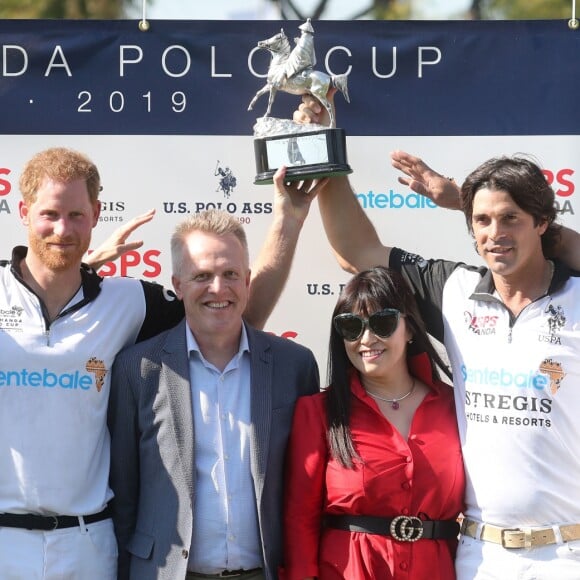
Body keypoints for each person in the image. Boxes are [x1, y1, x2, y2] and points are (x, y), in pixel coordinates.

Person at [0, 147, 320, 579]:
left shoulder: (128, 300)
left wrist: (287, 220)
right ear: (22, 211)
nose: (63, 229)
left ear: (96, 214)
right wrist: (84, 261)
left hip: (87, 544)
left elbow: (230, 316)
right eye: (50, 214)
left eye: (76, 215)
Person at [294, 94, 580, 578]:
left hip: (566, 551)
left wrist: (458, 201)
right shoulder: (456, 289)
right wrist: (322, 146)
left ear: (544, 223)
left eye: (511, 217)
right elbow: (357, 249)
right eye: (482, 221)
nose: (495, 234)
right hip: (478, 555)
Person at [107, 208, 320, 580]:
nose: (218, 289)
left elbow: (308, 488)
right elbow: (123, 495)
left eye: (230, 274)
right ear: (177, 283)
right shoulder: (138, 368)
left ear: (248, 280)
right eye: (202, 276)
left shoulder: (295, 366)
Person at [281, 266, 464, 580]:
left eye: (383, 322)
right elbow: (299, 518)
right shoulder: (318, 412)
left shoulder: (456, 405)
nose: (366, 339)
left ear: (409, 329)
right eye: (351, 326)